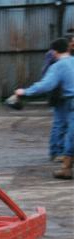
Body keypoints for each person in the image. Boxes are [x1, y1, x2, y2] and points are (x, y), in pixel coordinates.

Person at [12, 37, 74, 180]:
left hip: (71, 101)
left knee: (70, 135)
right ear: (68, 48)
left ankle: (66, 169)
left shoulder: (58, 66)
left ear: (54, 51)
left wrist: (25, 92)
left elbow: (46, 85)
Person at [42, 34, 74, 162]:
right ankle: (56, 151)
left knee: (66, 124)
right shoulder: (55, 56)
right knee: (60, 124)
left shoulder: (68, 55)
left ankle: (62, 152)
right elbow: (48, 75)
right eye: (72, 41)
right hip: (59, 93)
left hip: (64, 93)